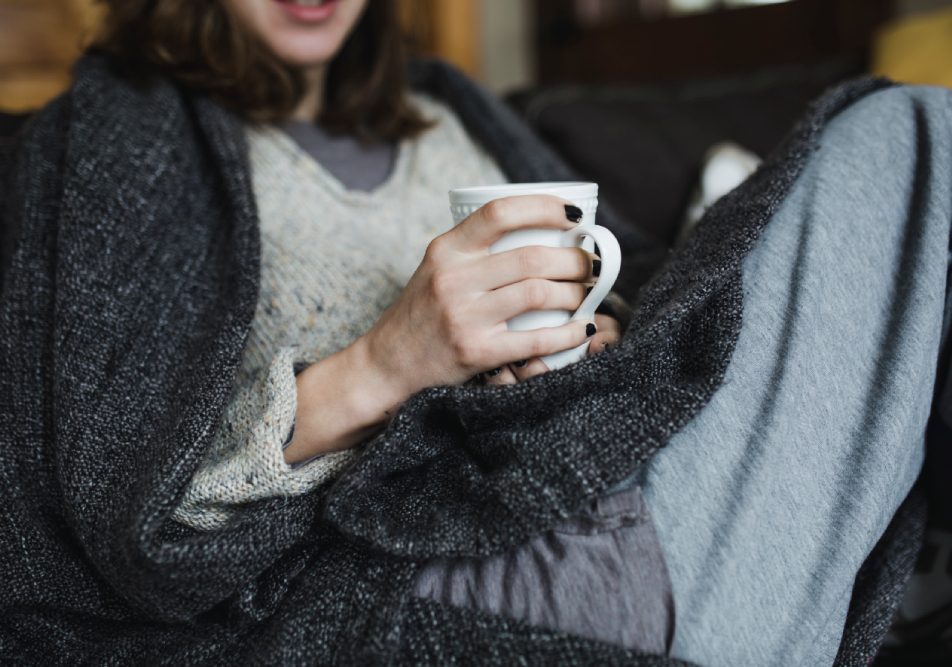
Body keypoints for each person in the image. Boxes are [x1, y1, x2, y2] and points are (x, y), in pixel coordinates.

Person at [1, 1, 949, 665]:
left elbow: (640, 292)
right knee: (904, 136)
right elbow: (113, 512)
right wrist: (388, 361)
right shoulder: (112, 136)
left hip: (605, 466)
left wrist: (596, 336)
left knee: (912, 142)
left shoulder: (445, 106)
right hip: (432, 558)